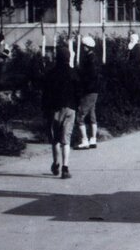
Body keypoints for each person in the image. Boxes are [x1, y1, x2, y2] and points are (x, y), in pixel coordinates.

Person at [42, 43, 79, 179]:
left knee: (55, 139)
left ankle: (56, 163)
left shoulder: (50, 74)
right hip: (70, 108)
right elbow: (78, 92)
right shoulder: (73, 73)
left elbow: (45, 94)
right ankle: (65, 167)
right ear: (68, 58)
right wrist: (77, 106)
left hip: (54, 109)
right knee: (66, 139)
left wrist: (45, 109)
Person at [75, 35, 101, 149]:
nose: (82, 48)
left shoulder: (89, 60)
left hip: (88, 91)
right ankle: (93, 139)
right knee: (91, 114)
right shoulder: (95, 58)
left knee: (80, 116)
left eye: (83, 46)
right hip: (95, 90)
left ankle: (84, 140)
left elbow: (86, 76)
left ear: (86, 47)